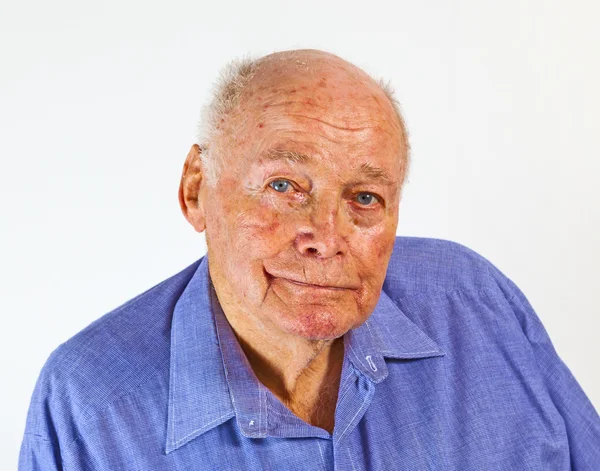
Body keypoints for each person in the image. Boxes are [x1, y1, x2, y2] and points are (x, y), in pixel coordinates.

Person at [19, 49, 600, 470]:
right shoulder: (90, 403)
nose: (325, 237)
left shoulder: (474, 301)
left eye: (364, 198)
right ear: (197, 190)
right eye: (283, 186)